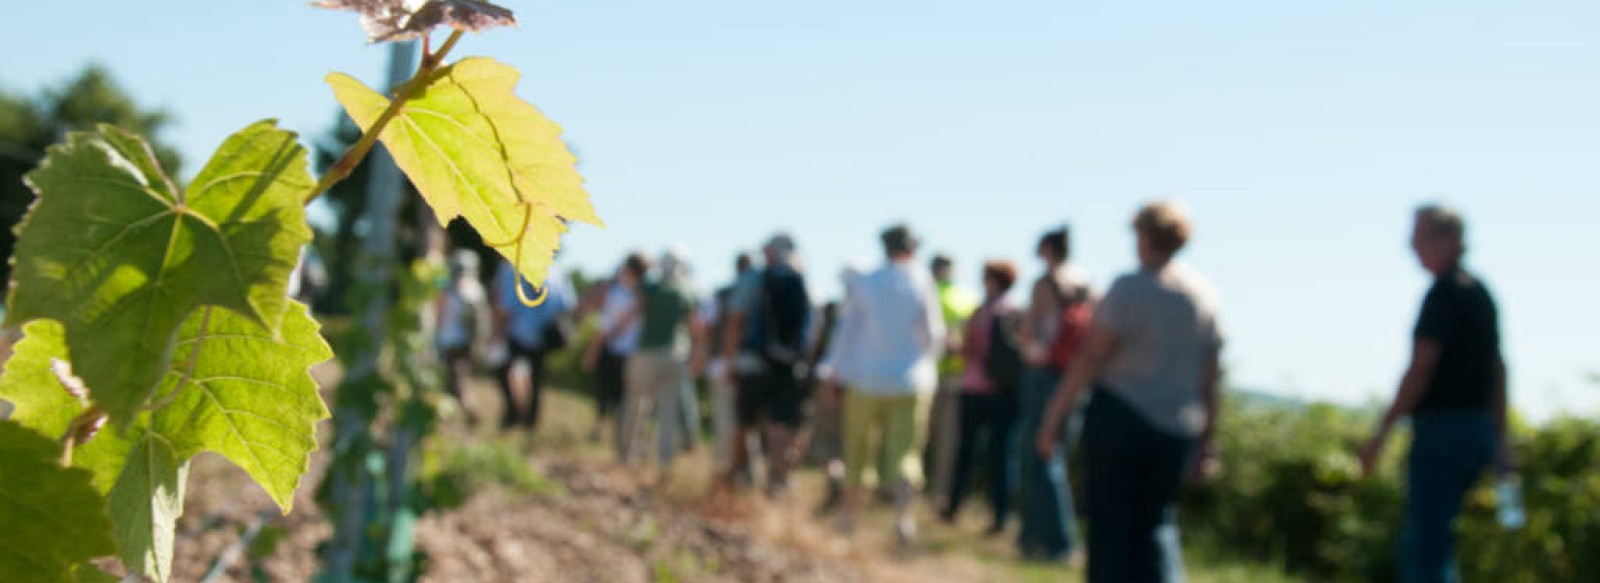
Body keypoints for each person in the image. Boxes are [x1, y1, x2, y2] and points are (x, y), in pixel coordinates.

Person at [1036, 201, 1223, 583]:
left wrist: (1053, 420)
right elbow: (1210, 377)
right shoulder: (1204, 295)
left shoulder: (1131, 289)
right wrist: (1208, 440)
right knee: (1157, 525)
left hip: (1120, 419)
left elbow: (1088, 360)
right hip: (1176, 429)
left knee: (1110, 529)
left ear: (1143, 237)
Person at [1358, 205, 1507, 583]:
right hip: (1477, 433)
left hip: (1443, 433)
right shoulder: (1481, 295)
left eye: (1421, 236)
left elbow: (1420, 369)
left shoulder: (1443, 294)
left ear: (1451, 240)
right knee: (1439, 544)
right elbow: (1499, 371)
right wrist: (1501, 439)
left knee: (1425, 549)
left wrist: (1381, 433)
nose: (1412, 246)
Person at [819, 224, 945, 545]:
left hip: (866, 379)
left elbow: (846, 332)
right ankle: (904, 521)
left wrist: (834, 373)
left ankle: (848, 519)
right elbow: (935, 336)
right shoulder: (921, 281)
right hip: (910, 381)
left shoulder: (866, 282)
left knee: (858, 450)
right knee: (907, 453)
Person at [1015, 227, 1091, 562]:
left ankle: (1056, 542)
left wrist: (1023, 341)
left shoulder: (1044, 283)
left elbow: (1035, 336)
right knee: (1053, 453)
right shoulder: (1084, 282)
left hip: (1044, 375)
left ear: (1046, 247)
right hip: (1075, 378)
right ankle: (1034, 538)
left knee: (1040, 456)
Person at [720, 234, 811, 494]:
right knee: (781, 425)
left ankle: (738, 477)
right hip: (789, 366)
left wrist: (730, 361)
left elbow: (735, 321)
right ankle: (779, 482)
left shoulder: (754, 279)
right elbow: (810, 331)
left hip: (753, 363)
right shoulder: (802, 281)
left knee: (745, 422)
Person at [942, 260, 1023, 536]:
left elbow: (967, 351)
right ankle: (1001, 514)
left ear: (992, 280)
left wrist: (952, 344)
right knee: (1002, 456)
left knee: (965, 452)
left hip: (975, 390)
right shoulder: (1016, 311)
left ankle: (953, 506)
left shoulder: (982, 313)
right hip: (1006, 394)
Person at [617, 248, 706, 472]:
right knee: (668, 412)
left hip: (646, 353)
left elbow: (633, 313)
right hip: (674, 356)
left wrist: (611, 334)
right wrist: (697, 355)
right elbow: (696, 328)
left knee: (635, 405)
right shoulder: (687, 292)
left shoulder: (651, 287)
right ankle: (665, 464)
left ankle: (628, 456)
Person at [491, 257, 576, 430]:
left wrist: (495, 334)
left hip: (518, 333)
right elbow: (568, 304)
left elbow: (506, 308)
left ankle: (513, 415)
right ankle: (531, 422)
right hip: (542, 335)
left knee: (505, 372)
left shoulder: (512, 270)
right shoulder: (557, 271)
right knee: (535, 379)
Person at [925, 253, 980, 506]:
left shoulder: (928, 294)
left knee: (921, 435)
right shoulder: (968, 298)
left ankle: (907, 489)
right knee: (946, 438)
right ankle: (939, 490)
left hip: (930, 374)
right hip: (957, 375)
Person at [583, 254, 647, 446]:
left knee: (605, 392)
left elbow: (605, 327)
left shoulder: (617, 294)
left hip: (613, 350)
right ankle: (624, 437)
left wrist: (592, 350)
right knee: (624, 397)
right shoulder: (643, 297)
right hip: (632, 354)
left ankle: (602, 430)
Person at [702, 253, 754, 475]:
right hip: (753, 367)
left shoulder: (722, 295)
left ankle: (725, 472)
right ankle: (746, 475)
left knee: (726, 423)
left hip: (723, 365)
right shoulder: (760, 294)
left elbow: (707, 327)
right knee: (747, 426)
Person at [436, 250, 491, 425]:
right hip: (463, 344)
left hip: (454, 343)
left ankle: (471, 416)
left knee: (456, 385)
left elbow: (440, 315)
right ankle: (447, 419)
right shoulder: (476, 290)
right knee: (453, 383)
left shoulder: (451, 288)